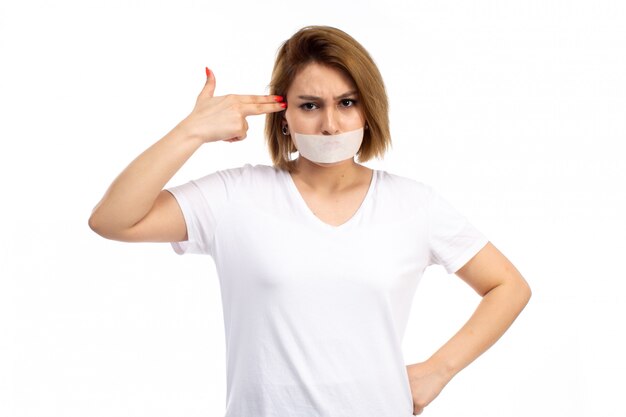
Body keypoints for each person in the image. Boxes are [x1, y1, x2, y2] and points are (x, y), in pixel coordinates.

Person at [89, 25, 531, 417]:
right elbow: (113, 220)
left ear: (368, 108)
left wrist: (438, 370)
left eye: (347, 102)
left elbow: (508, 286)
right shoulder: (235, 196)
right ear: (284, 115)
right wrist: (192, 131)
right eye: (310, 105)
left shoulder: (414, 205)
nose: (330, 124)